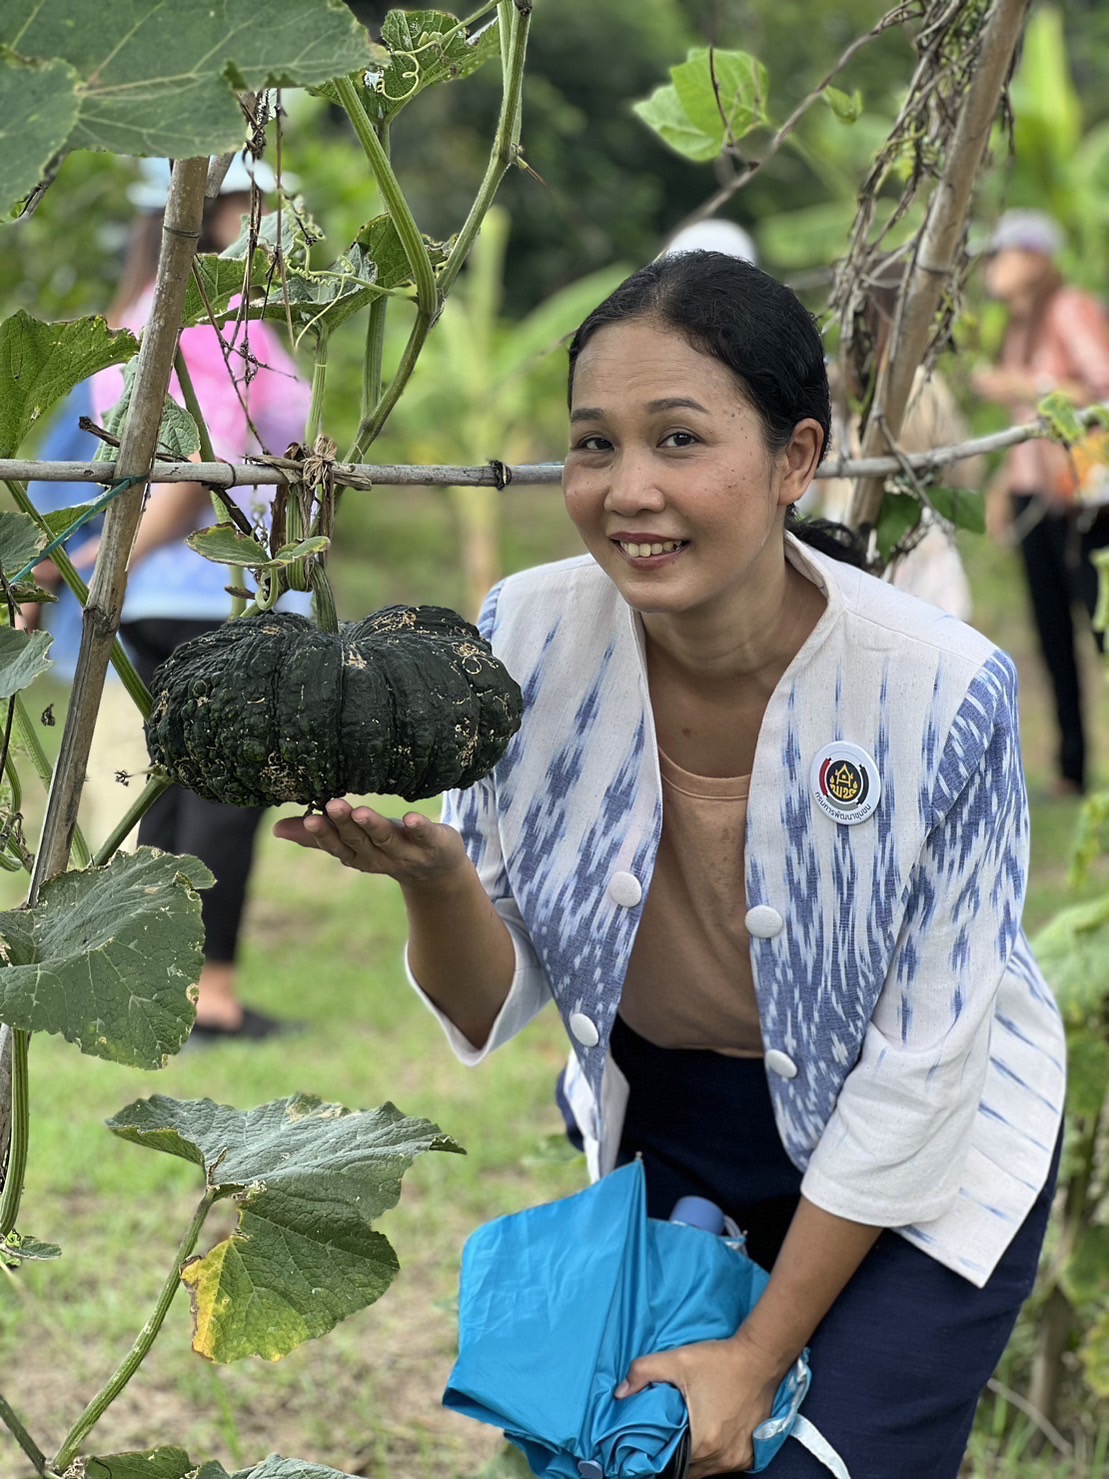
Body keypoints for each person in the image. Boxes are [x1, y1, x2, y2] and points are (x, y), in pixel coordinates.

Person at [274, 251, 1065, 1477]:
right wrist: (437, 879)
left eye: (679, 439)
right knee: (629, 1454)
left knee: (807, 1460)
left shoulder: (939, 689)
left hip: (924, 1150)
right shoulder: (524, 637)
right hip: (681, 1114)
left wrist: (754, 1361)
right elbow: (495, 996)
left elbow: (918, 1075)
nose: (627, 490)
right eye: (594, 444)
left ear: (795, 459)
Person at [88, 156, 312, 1040]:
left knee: (175, 787)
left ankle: (163, 986)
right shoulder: (221, 322)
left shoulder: (134, 315)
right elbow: (194, 471)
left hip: (153, 592)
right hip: (215, 588)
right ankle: (209, 992)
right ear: (207, 213)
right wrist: (116, 568)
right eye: (254, 203)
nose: (270, 220)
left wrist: (113, 573)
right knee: (229, 787)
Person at [973, 208, 1109, 796]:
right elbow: (1026, 434)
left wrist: (1027, 386)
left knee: (1101, 629)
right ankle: (1072, 769)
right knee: (1052, 636)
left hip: (1086, 499)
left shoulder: (1068, 309)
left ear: (1035, 260)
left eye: (1004, 254)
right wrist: (1004, 486)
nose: (994, 267)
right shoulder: (1017, 327)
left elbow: (1101, 388)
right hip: (1036, 500)